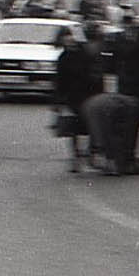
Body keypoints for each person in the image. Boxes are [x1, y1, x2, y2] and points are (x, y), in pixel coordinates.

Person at [52, 27, 98, 173]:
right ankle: (75, 158)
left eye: (69, 37)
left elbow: (94, 74)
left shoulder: (85, 54)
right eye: (65, 38)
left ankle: (91, 155)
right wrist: (59, 101)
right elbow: (59, 81)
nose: (68, 40)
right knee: (73, 129)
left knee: (90, 127)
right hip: (72, 97)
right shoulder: (63, 58)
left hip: (87, 95)